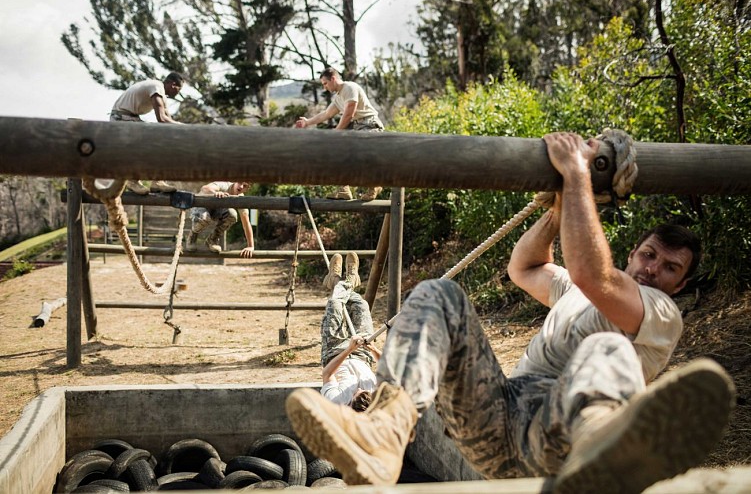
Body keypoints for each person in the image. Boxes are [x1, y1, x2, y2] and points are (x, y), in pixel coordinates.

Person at [285, 132, 736, 492]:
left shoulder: (659, 312)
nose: (654, 270)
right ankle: (386, 427)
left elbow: (592, 274)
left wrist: (577, 173)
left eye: (670, 267)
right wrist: (559, 211)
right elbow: (525, 267)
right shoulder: (577, 293)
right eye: (649, 256)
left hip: (562, 437)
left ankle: (601, 452)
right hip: (495, 420)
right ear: (633, 253)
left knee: (607, 346)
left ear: (681, 284)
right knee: (439, 293)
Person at [294, 67, 384, 202]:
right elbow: (326, 114)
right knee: (338, 152)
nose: (324, 88)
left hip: (370, 126)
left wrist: (336, 132)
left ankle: (374, 185)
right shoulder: (338, 98)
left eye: (325, 83)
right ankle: (344, 189)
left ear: (333, 79)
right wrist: (307, 122)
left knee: (357, 155)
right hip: (359, 127)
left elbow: (349, 114)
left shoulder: (349, 88)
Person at [319, 252, 381, 411]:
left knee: (335, 303)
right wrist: (373, 349)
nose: (358, 388)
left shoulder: (337, 402)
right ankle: (346, 282)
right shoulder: (377, 397)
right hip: (364, 353)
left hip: (335, 351)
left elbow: (327, 374)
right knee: (361, 305)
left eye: (356, 393)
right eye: (363, 391)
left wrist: (348, 350)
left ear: (350, 402)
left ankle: (339, 282)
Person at [110, 72, 185, 195]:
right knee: (152, 141)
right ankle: (133, 180)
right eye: (179, 89)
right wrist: (184, 128)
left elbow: (169, 121)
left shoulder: (161, 94)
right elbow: (161, 119)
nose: (178, 92)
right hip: (121, 119)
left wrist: (177, 133)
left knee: (163, 140)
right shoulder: (156, 87)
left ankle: (157, 181)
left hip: (131, 118)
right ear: (173, 85)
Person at [185, 181, 254, 257]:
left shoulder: (241, 199)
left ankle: (212, 240)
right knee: (204, 218)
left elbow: (246, 223)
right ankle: (193, 236)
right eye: (240, 183)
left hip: (215, 210)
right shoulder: (224, 185)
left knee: (232, 215)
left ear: (247, 189)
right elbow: (204, 188)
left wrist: (250, 246)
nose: (241, 187)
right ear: (235, 182)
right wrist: (215, 192)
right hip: (201, 207)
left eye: (244, 186)